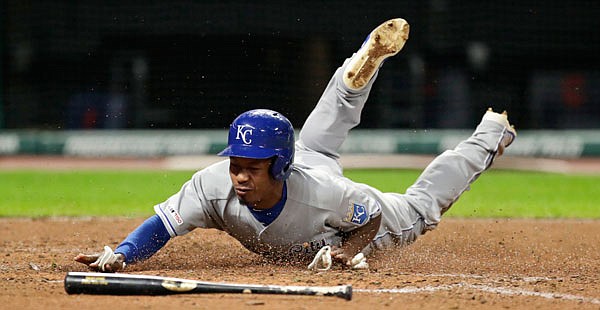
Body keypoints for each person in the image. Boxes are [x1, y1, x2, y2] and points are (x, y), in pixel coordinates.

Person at [75, 18, 516, 272]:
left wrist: (349, 250)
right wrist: (121, 254)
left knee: (419, 211)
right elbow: (161, 226)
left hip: (326, 198)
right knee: (321, 134)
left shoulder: (327, 195)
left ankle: (490, 135)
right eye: (236, 164)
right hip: (305, 159)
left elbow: (372, 214)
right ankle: (352, 73)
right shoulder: (212, 185)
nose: (240, 176)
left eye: (253, 167)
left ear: (278, 165)